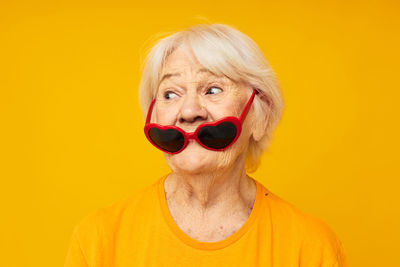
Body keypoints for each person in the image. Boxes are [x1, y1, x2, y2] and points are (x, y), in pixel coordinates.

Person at [64, 24, 347, 267]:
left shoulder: (311, 248)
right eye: (170, 93)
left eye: (213, 89)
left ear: (259, 118)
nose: (189, 112)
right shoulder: (97, 240)